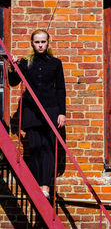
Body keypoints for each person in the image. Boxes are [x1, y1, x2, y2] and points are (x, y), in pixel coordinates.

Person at [8, 29, 66, 198]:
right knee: (33, 148)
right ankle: (38, 184)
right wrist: (13, 67)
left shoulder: (56, 63)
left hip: (51, 110)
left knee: (48, 148)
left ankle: (46, 186)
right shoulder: (26, 63)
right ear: (32, 43)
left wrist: (62, 113)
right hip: (31, 111)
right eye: (37, 42)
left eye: (43, 42)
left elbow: (61, 89)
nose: (40, 45)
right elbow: (13, 82)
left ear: (48, 43)